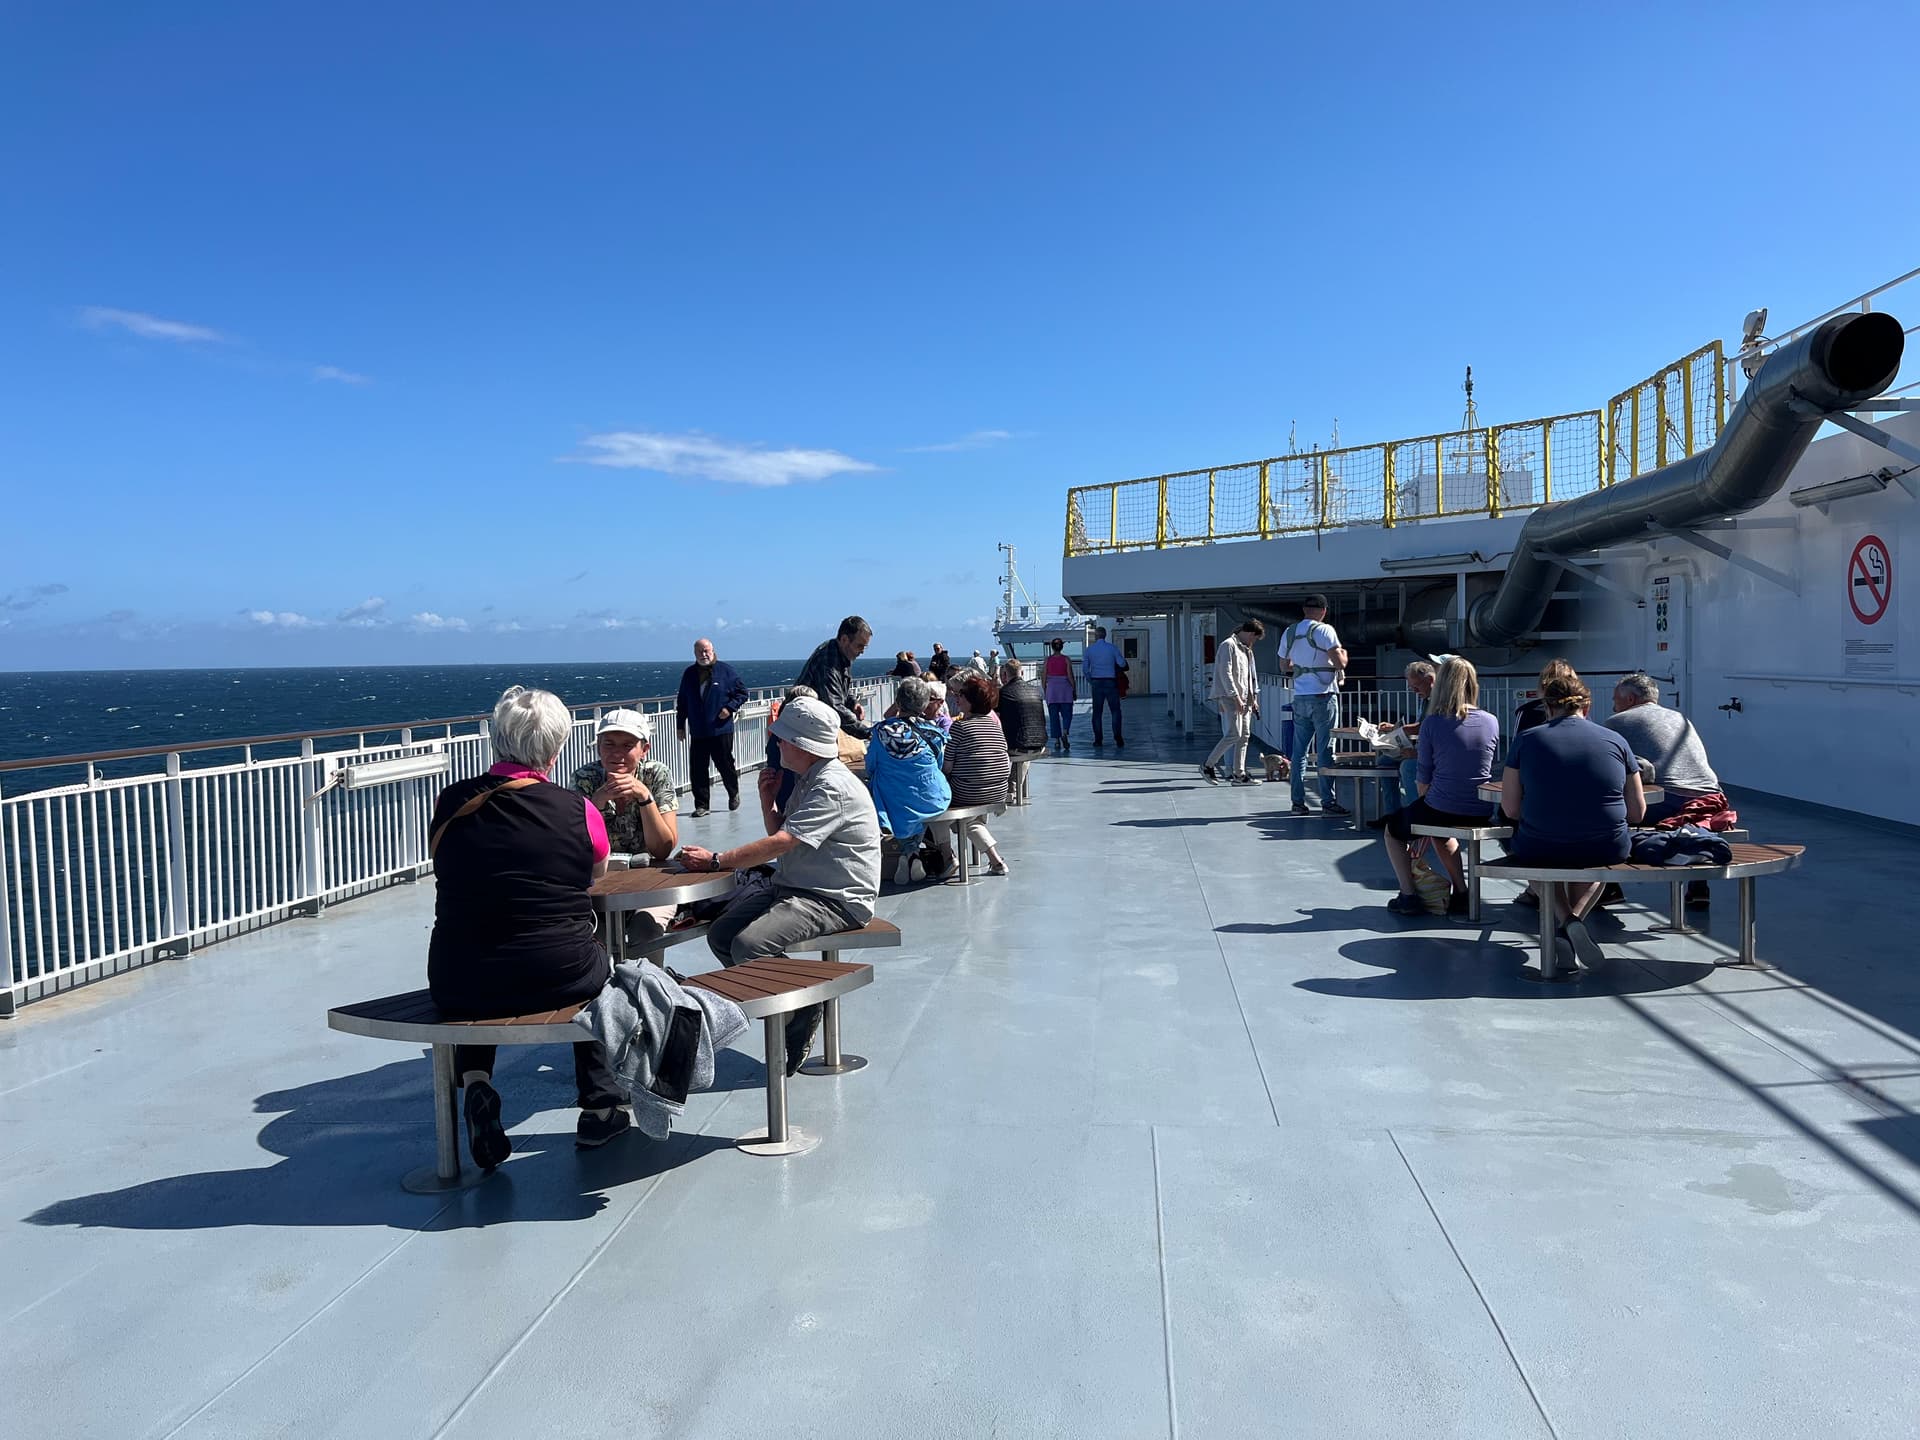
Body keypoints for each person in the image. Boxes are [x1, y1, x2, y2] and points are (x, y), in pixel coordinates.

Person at [429, 687, 627, 1167]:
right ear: (557, 747)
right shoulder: (577, 809)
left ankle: (477, 1082)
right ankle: (600, 1108)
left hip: (458, 978)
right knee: (600, 967)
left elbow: (444, 861)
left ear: (497, 739)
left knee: (484, 944)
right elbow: (594, 875)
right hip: (558, 972)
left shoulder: (451, 802)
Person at [680, 696, 881, 1074]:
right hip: (798, 886)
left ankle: (801, 1006)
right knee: (721, 936)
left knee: (749, 945)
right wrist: (767, 801)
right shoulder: (811, 778)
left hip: (835, 897)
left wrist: (716, 860)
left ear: (803, 745)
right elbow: (786, 834)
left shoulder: (831, 786)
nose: (777, 744)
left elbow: (782, 843)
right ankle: (791, 1007)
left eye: (783, 739)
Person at [1500, 666, 1646, 969]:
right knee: (1597, 864)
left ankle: (1566, 921)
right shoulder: (1616, 741)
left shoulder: (1526, 740)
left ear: (1546, 706)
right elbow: (1637, 812)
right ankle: (1574, 921)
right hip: (1607, 845)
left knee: (1535, 862)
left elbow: (1510, 809)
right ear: (1587, 705)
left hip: (1541, 843)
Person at [1380, 658, 1499, 917]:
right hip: (1481, 806)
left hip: (1442, 805)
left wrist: (1422, 821)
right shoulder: (1491, 721)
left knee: (1392, 830)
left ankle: (1408, 895)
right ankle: (1461, 892)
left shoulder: (1433, 723)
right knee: (1442, 834)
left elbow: (1424, 778)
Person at [1606, 671, 1732, 908]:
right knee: (1691, 823)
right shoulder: (1680, 718)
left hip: (1670, 800)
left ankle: (1608, 886)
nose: (1614, 706)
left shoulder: (1618, 722)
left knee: (1603, 816)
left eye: (1616, 700)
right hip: (1712, 799)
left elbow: (1614, 765)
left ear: (1630, 700)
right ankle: (1698, 886)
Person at [925, 671, 1012, 876]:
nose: (956, 698)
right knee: (969, 820)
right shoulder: (994, 726)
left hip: (970, 791)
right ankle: (995, 860)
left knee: (933, 805)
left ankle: (947, 857)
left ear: (971, 701)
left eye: (961, 695)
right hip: (997, 790)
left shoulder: (960, 728)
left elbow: (947, 768)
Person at [866, 676, 951, 874]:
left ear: (898, 701)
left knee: (886, 791)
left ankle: (909, 853)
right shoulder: (934, 732)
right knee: (917, 805)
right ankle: (911, 854)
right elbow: (937, 765)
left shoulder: (880, 732)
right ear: (924, 703)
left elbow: (871, 766)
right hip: (931, 797)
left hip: (893, 799)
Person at [573, 709, 679, 861]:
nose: (617, 753)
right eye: (609, 744)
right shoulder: (584, 777)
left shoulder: (656, 774)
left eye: (627, 746)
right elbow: (578, 847)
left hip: (646, 871)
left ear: (644, 750)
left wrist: (645, 797)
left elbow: (663, 850)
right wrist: (597, 802)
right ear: (598, 747)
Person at [1280, 594, 1350, 816]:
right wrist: (1344, 657)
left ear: (1304, 610)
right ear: (1324, 611)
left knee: (1299, 752)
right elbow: (1339, 662)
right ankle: (1328, 802)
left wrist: (1303, 665)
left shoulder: (1290, 632)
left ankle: (1297, 803)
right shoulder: (1325, 630)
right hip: (1323, 696)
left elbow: (1285, 666)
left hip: (1300, 696)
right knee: (1325, 750)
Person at [676, 637, 749, 817]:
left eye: (706, 650)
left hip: (720, 729)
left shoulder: (726, 671)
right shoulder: (689, 674)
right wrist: (680, 725)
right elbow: (683, 701)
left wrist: (729, 708)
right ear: (694, 653)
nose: (704, 654)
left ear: (713, 650)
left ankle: (733, 792)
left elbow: (743, 693)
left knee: (725, 764)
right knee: (697, 768)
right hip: (699, 730)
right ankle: (702, 805)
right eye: (700, 651)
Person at [1202, 619, 1263, 785]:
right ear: (1250, 633)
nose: (1253, 642)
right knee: (1234, 734)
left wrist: (1253, 698)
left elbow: (1250, 676)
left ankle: (1239, 774)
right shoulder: (1228, 645)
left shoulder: (1246, 650)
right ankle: (1208, 765)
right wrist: (1235, 696)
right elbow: (1225, 672)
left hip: (1244, 698)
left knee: (1244, 736)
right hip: (1231, 697)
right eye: (1254, 638)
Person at [796, 615, 873, 739]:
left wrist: (853, 703)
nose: (862, 651)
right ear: (844, 639)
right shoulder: (828, 661)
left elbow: (841, 689)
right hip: (798, 733)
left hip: (809, 728)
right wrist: (869, 733)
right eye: (859, 646)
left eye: (865, 647)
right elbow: (834, 706)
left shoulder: (841, 654)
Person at [996, 658, 1049, 803]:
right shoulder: (1035, 691)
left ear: (1005, 675)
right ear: (1023, 672)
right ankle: (1013, 786)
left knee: (1011, 746)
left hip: (1019, 744)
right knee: (1026, 746)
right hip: (1040, 742)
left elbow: (995, 717)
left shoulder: (1004, 693)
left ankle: (1006, 787)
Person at [1083, 626, 1129, 748]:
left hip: (1096, 682)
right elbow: (1122, 663)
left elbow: (1085, 669)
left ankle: (1098, 740)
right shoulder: (1112, 648)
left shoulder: (1089, 650)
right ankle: (1118, 738)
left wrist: (1090, 680)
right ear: (1105, 635)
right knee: (1115, 711)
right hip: (1111, 682)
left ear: (1096, 636)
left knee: (1097, 713)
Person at [1043, 638, 1075, 753]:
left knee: (1053, 716)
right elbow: (1070, 676)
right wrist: (1074, 689)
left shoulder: (1047, 660)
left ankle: (1057, 740)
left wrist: (1045, 690)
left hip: (1052, 689)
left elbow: (1044, 676)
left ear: (1052, 647)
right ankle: (1065, 732)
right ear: (1062, 647)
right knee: (1067, 713)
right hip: (1065, 689)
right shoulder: (1066, 659)